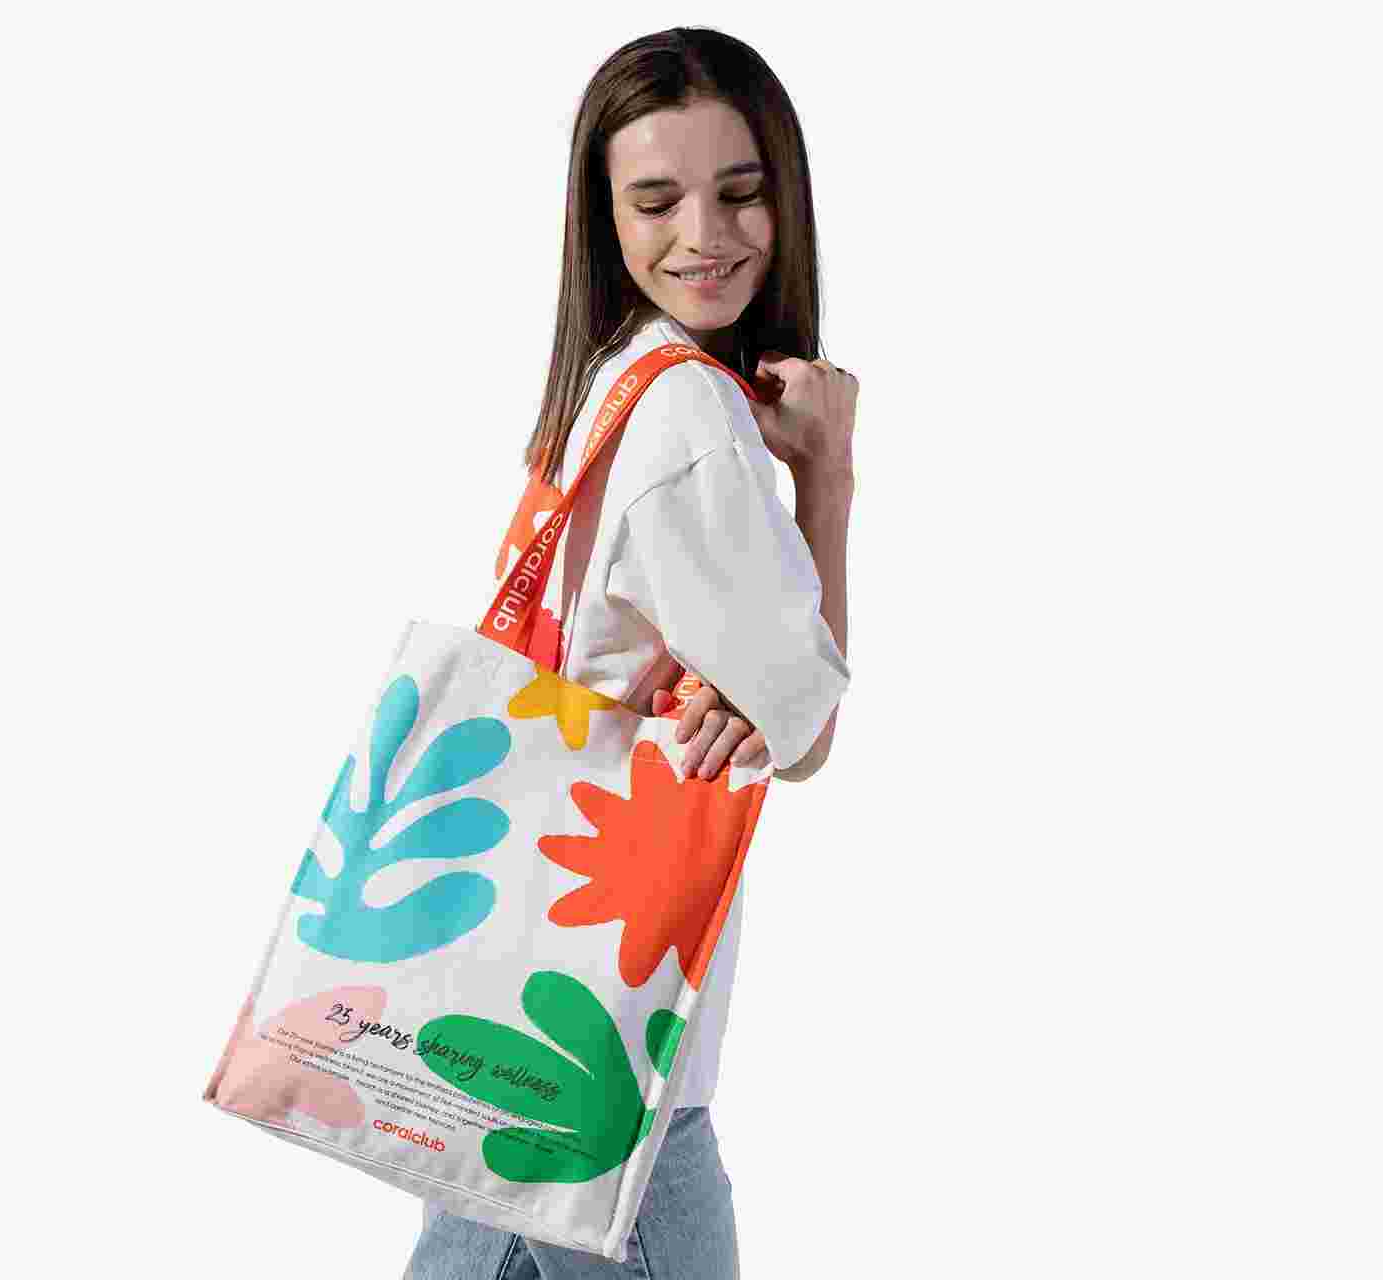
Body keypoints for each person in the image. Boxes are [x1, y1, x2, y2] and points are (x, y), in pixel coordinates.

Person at [406, 26, 857, 1279]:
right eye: (657, 201)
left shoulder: (609, 381)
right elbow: (806, 732)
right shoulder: (691, 412)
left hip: (503, 1011)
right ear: (603, 222)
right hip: (614, 1053)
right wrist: (827, 474)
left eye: (740, 192)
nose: (704, 235)